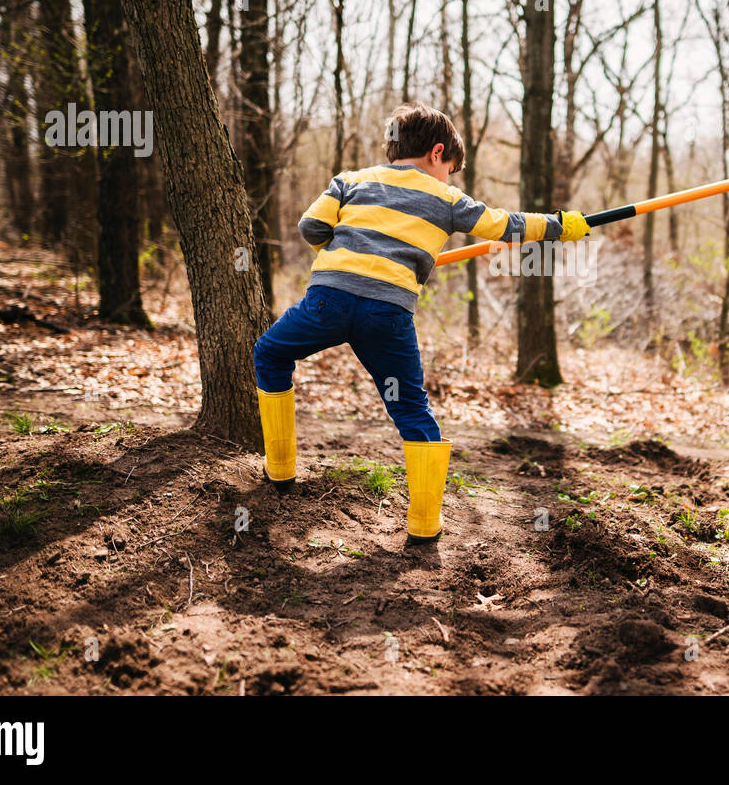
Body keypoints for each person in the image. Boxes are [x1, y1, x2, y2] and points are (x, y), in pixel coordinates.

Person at [252, 102, 590, 545]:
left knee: (270, 353)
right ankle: (425, 525)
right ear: (436, 154)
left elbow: (310, 227)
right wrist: (561, 226)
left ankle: (280, 470)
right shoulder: (446, 199)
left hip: (327, 302)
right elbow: (506, 226)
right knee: (410, 407)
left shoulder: (350, 180)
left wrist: (349, 246)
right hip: (387, 314)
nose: (449, 176)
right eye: (450, 167)